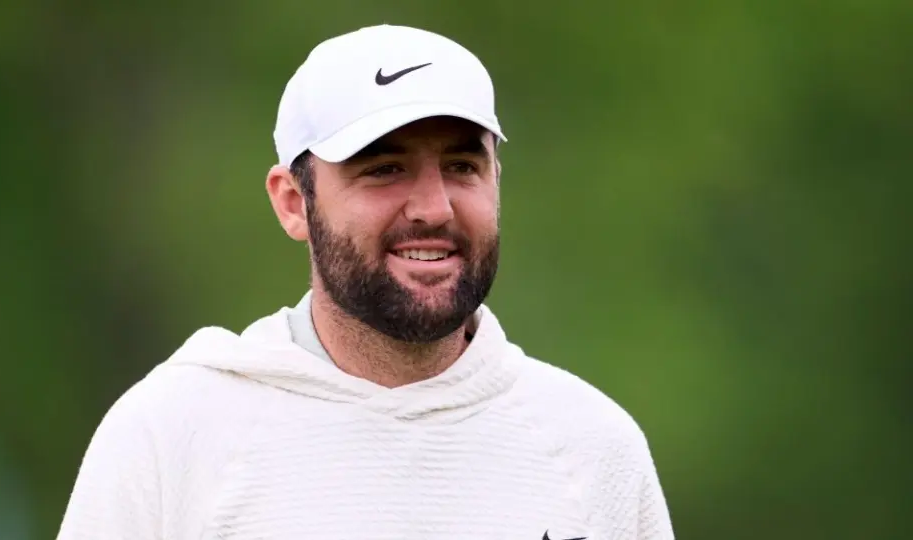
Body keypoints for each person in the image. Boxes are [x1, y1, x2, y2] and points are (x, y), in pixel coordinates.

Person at [56, 24, 675, 540]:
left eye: (462, 165)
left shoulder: (593, 448)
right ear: (294, 203)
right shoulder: (172, 437)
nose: (434, 207)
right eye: (383, 170)